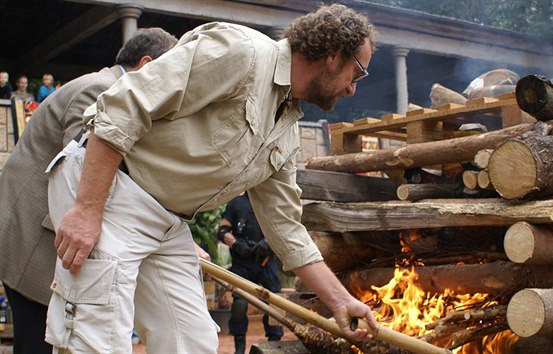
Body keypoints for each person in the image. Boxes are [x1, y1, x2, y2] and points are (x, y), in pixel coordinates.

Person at [48, 4, 378, 353]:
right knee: (98, 339)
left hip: (166, 219)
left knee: (191, 341)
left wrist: (341, 302)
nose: (353, 90)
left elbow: (286, 230)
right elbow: (120, 107)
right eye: (356, 75)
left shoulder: (285, 131)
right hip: (111, 186)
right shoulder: (242, 53)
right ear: (333, 55)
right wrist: (86, 208)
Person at [0, 27, 178, 354]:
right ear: (148, 63)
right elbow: (84, 169)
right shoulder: (102, 89)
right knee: (36, 341)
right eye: (171, 72)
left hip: (43, 234)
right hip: (35, 239)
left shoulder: (104, 86)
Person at [218, 192, 284, 353]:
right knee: (240, 303)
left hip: (266, 263)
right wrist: (236, 244)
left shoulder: (273, 201)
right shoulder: (236, 203)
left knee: (276, 301)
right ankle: (239, 345)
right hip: (242, 263)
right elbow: (222, 231)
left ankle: (275, 342)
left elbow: (284, 228)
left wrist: (268, 242)